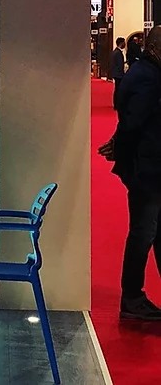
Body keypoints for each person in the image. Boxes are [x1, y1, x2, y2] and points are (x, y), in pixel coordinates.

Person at [102, 25, 161, 320]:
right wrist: (121, 149)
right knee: (143, 232)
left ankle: (133, 297)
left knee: (152, 231)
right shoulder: (149, 77)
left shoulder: (143, 72)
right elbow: (133, 123)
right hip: (148, 170)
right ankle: (132, 297)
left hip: (147, 167)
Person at [110, 37, 126, 111]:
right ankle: (117, 104)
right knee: (118, 89)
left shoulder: (115, 52)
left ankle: (116, 104)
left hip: (116, 73)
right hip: (119, 74)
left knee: (117, 89)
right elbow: (120, 65)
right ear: (121, 43)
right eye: (124, 43)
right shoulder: (118, 53)